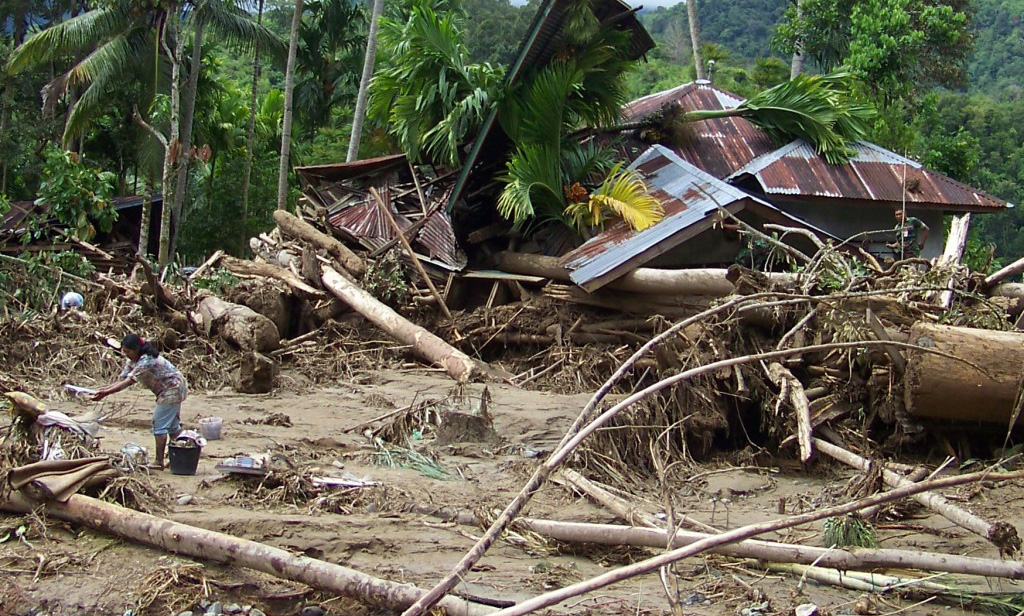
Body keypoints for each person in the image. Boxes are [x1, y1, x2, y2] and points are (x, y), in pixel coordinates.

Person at [93, 334, 188, 470]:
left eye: (128, 351)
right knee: (172, 427)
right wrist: (103, 390)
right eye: (124, 351)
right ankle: (178, 457)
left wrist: (105, 393)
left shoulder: (146, 360)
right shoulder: (132, 360)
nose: (126, 354)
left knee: (159, 424)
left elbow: (128, 382)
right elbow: (122, 379)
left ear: (137, 348)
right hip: (167, 389)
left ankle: (159, 461)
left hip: (172, 388)